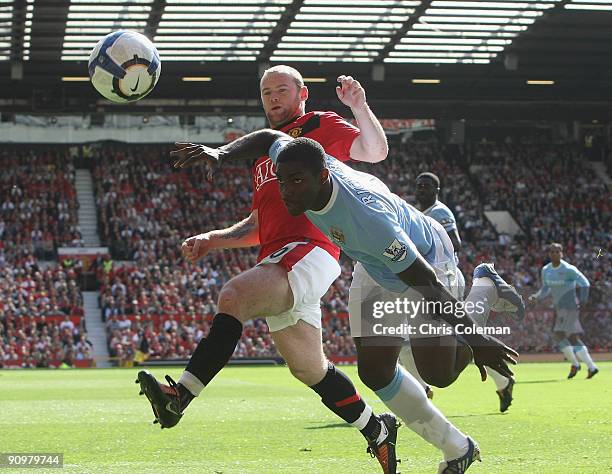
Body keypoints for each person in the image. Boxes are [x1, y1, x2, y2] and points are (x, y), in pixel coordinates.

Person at [173, 130, 524, 473]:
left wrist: (478, 340)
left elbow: (427, 283)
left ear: (323, 175)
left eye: (296, 182)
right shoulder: (299, 163)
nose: (286, 191)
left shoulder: (369, 220)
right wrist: (221, 153)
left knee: (440, 373)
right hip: (373, 264)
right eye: (282, 182)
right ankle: (456, 448)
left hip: (426, 259)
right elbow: (268, 137)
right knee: (375, 372)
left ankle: (484, 287)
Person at [137, 66, 399, 473]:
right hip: (279, 256)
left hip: (312, 249)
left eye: (281, 89)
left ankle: (180, 397)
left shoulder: (320, 125)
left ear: (303, 93)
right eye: (266, 92)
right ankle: (377, 430)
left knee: (234, 296)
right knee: (309, 369)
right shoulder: (265, 153)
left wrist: (360, 106)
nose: (273, 97)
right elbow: (259, 224)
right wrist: (213, 239)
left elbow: (375, 151)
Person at [410, 172, 516, 412]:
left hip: (443, 278)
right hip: (426, 281)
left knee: (456, 337)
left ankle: (420, 391)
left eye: (426, 186)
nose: (421, 189)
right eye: (418, 186)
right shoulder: (420, 214)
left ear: (436, 190)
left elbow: (455, 242)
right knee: (424, 338)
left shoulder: (440, 212)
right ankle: (502, 381)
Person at [529, 243, 597, 379]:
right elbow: (546, 288)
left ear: (562, 254)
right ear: (549, 254)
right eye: (552, 252)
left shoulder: (568, 269)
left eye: (557, 252)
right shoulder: (546, 270)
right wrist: (537, 296)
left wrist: (583, 300)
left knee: (561, 335)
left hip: (571, 307)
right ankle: (587, 366)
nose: (554, 254)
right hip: (559, 308)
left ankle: (581, 365)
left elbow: (585, 283)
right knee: (567, 337)